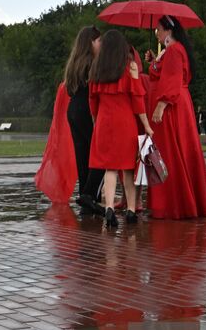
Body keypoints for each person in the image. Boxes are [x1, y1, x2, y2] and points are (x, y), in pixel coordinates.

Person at [144, 16, 206, 218]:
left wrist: (161, 104)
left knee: (171, 152)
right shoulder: (172, 51)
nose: (156, 33)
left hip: (172, 106)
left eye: (158, 30)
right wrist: (154, 61)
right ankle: (182, 201)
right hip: (177, 104)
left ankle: (176, 203)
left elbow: (173, 79)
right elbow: (161, 74)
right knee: (178, 151)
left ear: (169, 30)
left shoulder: (174, 50)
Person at [36, 27, 103, 213]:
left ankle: (84, 196)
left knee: (82, 155)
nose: (101, 44)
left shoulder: (75, 62)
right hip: (85, 111)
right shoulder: (93, 63)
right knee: (96, 155)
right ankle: (90, 196)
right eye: (99, 41)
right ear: (91, 42)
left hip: (73, 109)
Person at [88, 29, 151, 229]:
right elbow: (138, 101)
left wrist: (97, 121)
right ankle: (131, 210)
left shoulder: (96, 70)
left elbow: (92, 103)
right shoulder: (130, 68)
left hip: (104, 123)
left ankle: (109, 208)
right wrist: (147, 126)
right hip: (125, 124)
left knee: (110, 169)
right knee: (128, 171)